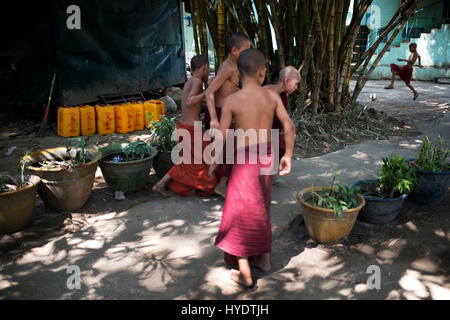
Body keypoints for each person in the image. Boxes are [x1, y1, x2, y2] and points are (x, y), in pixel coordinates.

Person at [210, 48, 296, 290]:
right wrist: (287, 156)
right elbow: (289, 128)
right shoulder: (272, 97)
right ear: (262, 72)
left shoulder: (232, 100)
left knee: (239, 213)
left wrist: (214, 161)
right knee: (261, 207)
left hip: (244, 162)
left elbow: (223, 137)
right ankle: (265, 261)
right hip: (266, 159)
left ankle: (245, 273)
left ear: (239, 72)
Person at [152, 55, 218, 197]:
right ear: (205, 67)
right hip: (191, 129)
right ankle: (211, 184)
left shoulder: (190, 81)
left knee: (187, 161)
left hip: (184, 126)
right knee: (210, 156)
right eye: (209, 69)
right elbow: (189, 101)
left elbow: (192, 106)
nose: (209, 72)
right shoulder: (197, 81)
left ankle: (160, 184)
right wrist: (208, 91)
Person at [204, 32, 251, 197]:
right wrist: (214, 118)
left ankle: (227, 182)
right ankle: (221, 185)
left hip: (227, 114)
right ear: (234, 50)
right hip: (218, 115)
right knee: (231, 150)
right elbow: (209, 92)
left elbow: (228, 90)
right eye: (246, 50)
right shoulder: (228, 67)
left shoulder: (235, 66)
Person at [264, 66, 301, 187]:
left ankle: (272, 173)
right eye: (295, 84)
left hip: (273, 131)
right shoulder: (267, 91)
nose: (296, 88)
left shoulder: (283, 96)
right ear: (286, 81)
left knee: (283, 147)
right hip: (258, 131)